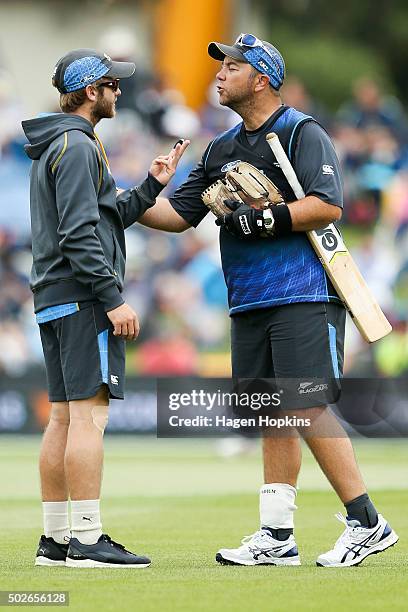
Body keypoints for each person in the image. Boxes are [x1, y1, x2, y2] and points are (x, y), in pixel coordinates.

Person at [139, 34, 398, 567]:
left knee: (304, 403)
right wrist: (125, 196)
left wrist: (263, 217)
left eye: (231, 67)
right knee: (272, 411)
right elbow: (176, 216)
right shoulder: (220, 148)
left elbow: (327, 205)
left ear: (260, 79)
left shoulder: (301, 132)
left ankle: (367, 522)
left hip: (304, 291)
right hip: (249, 299)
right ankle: (277, 536)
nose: (219, 74)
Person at [22, 48, 188, 568]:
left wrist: (153, 185)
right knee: (88, 420)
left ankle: (55, 539)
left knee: (64, 420)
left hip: (55, 296)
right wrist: (112, 298)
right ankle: (87, 539)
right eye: (112, 85)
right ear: (91, 91)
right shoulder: (76, 145)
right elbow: (78, 232)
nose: (120, 92)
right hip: (82, 297)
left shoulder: (61, 143)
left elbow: (106, 214)